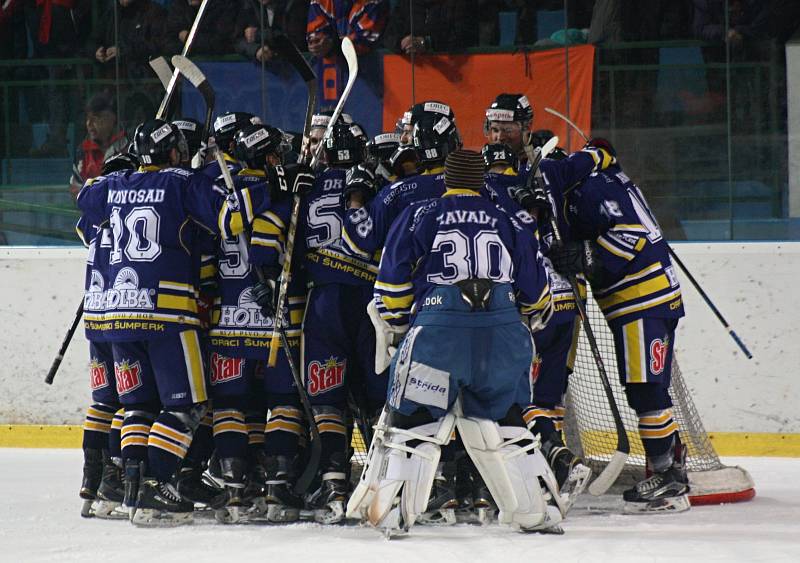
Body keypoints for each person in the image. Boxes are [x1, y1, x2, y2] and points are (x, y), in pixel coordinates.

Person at [347, 149, 561, 536]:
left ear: (446, 180)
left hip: (440, 332)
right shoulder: (510, 218)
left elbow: (391, 289)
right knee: (508, 422)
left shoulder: (419, 213)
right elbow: (538, 295)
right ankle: (539, 509)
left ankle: (393, 509)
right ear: (482, 183)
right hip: (504, 333)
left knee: (413, 424)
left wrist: (399, 327)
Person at [76, 119, 275, 527]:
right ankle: (157, 485)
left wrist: (123, 171)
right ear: (173, 153)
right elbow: (230, 219)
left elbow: (86, 199)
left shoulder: (114, 184)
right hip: (166, 311)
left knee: (136, 405)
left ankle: (132, 483)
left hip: (117, 313)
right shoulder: (182, 181)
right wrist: (270, 187)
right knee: (188, 405)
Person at [548, 140, 689, 514]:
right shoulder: (604, 179)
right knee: (645, 388)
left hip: (643, 298)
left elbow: (632, 235)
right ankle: (671, 467)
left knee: (645, 389)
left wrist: (585, 255)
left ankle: (668, 478)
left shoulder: (590, 189)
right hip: (644, 298)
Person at [206, 123, 310, 524]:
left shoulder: (224, 193)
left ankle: (234, 488)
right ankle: (279, 486)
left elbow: (218, 234)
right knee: (282, 402)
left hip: (227, 321)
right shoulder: (284, 194)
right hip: (275, 320)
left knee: (231, 405)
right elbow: (269, 245)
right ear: (268, 157)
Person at [297, 119, 383, 524]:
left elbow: (286, 245)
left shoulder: (305, 185)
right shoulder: (374, 183)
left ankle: (334, 479)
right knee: (374, 394)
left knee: (328, 396)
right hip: (368, 300)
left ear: (325, 152)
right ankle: (383, 478)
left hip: (322, 301)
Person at [75, 152, 141, 521]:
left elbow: (86, 225)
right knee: (129, 399)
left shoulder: (93, 217)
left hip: (96, 313)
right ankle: (115, 473)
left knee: (103, 401)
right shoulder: (129, 212)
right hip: (122, 313)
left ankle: (93, 477)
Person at [342, 101, 461, 259]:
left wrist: (356, 197)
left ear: (425, 136)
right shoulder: (477, 181)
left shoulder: (398, 191)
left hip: (408, 280)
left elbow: (356, 243)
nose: (403, 138)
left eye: (409, 132)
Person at [69, 92, 129, 198]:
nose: (89, 123)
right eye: (87, 118)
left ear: (112, 118)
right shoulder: (82, 152)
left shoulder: (128, 147)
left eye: (95, 118)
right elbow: (75, 190)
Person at [90, 0, 166, 80]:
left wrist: (123, 51)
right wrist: (96, 51)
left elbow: (158, 45)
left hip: (145, 81)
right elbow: (92, 41)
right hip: (112, 81)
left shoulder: (153, 12)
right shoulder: (111, 12)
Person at [382, 0, 479, 54]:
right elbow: (389, 35)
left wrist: (427, 43)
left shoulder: (461, 3)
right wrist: (402, 42)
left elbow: (464, 36)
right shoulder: (406, 3)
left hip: (453, 76)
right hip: (412, 74)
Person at [235, 0, 310, 63]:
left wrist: (258, 35)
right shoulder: (249, 4)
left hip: (297, 68)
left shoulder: (296, 3)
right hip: (261, 71)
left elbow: (294, 40)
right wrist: (255, 49)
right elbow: (237, 40)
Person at [166, 0, 239, 55]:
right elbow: (170, 37)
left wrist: (188, 38)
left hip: (217, 62)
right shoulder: (179, 5)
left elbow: (221, 42)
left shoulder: (225, 5)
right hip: (182, 58)